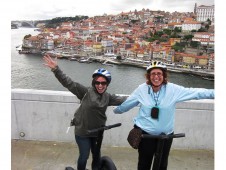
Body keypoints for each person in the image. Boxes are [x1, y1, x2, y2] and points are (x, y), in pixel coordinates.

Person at [113, 60, 214, 170]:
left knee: (162, 165)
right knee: (143, 164)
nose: (156, 77)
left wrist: (215, 93)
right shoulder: (141, 89)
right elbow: (127, 104)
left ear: (164, 76)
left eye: (159, 74)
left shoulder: (173, 90)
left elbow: (195, 93)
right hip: (146, 135)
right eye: (153, 74)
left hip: (166, 136)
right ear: (148, 76)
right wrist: (116, 110)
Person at [43, 55, 127, 170]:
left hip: (98, 132)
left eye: (103, 83)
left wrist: (141, 97)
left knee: (97, 156)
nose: (100, 85)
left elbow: (124, 100)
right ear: (94, 83)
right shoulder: (85, 92)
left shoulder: (108, 97)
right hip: (83, 131)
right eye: (97, 82)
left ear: (107, 84)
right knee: (84, 156)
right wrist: (56, 69)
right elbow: (69, 83)